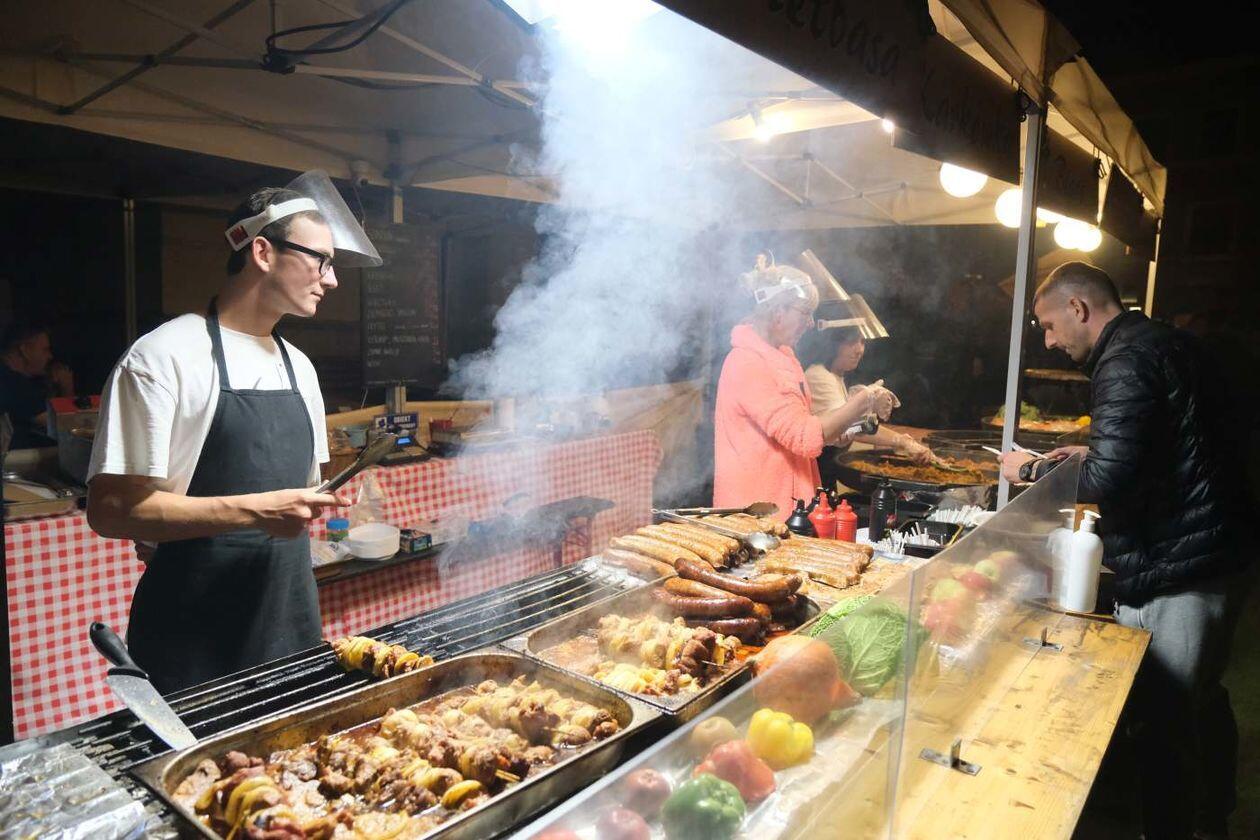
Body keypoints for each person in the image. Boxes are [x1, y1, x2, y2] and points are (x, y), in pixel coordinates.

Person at [86, 173, 381, 694]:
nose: (332, 280)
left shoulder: (300, 367)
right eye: (321, 260)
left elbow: (304, 490)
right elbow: (110, 510)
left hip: (288, 621)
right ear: (262, 252)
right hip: (193, 638)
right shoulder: (164, 357)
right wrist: (253, 512)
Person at [998, 261, 1251, 840]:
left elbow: (1108, 481)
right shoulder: (1162, 341)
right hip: (1210, 546)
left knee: (1168, 714)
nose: (1049, 341)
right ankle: (1212, 816)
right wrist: (1088, 452)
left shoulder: (1125, 359)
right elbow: (1167, 444)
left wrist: (1029, 469)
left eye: (1049, 325)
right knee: (1201, 699)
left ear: (1079, 308)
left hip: (1180, 562)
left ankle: (1178, 827)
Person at [713, 260, 894, 517]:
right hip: (756, 513)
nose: (810, 323)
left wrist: (841, 428)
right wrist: (865, 399)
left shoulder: (785, 358)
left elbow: (804, 426)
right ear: (779, 311)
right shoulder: (747, 363)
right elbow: (803, 437)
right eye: (805, 312)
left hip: (786, 508)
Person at [798, 324, 933, 465]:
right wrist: (901, 441)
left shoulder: (836, 375)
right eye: (851, 342)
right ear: (833, 343)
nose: (859, 350)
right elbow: (845, 427)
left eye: (862, 342)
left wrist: (902, 440)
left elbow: (854, 426)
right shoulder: (819, 375)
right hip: (818, 466)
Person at [0, 324, 73, 449]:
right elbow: (65, 429)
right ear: (25, 350)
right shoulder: (14, 384)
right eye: (45, 350)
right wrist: (66, 387)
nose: (50, 356)